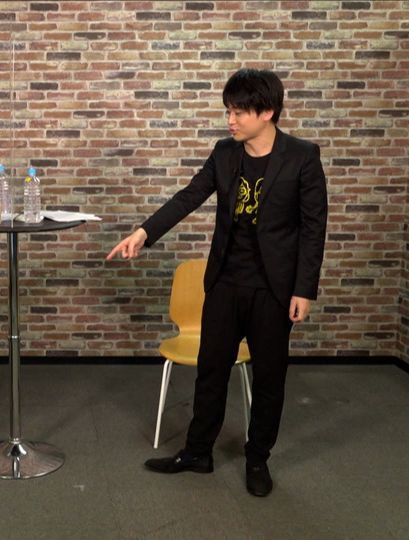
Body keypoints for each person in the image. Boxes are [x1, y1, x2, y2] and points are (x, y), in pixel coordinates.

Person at [106, 68, 327, 497]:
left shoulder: (302, 156)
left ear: (267, 111)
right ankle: (197, 452)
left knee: (269, 378)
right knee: (210, 372)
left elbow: (313, 228)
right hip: (225, 281)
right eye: (228, 111)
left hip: (274, 289)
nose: (231, 120)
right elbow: (189, 196)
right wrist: (144, 233)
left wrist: (305, 289)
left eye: (239, 112)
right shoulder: (225, 153)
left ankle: (257, 458)